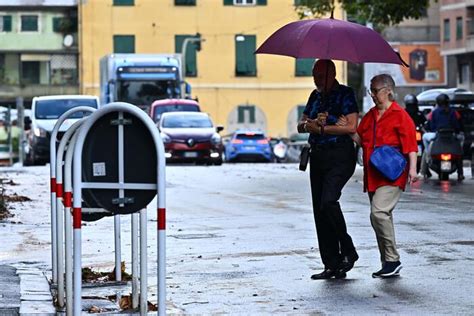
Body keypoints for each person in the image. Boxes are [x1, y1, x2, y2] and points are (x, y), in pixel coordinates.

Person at [348, 74, 418, 278]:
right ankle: (387, 261)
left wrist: (413, 169)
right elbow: (361, 139)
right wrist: (348, 128)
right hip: (373, 174)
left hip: (392, 173)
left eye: (375, 90)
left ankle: (393, 259)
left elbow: (411, 146)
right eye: (370, 90)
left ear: (388, 91)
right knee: (379, 217)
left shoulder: (400, 115)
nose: (372, 95)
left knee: (378, 213)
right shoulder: (370, 115)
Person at [297, 59, 359, 280]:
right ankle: (332, 263)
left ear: (332, 74)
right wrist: (310, 124)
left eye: (320, 76)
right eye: (314, 75)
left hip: (341, 155)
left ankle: (348, 250)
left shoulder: (346, 94)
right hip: (318, 156)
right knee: (319, 210)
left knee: (329, 201)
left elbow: (351, 126)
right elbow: (301, 124)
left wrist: (323, 128)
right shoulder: (315, 96)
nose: (316, 80)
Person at [421, 93, 464, 180]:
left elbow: (431, 127)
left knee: (425, 137)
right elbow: (458, 126)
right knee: (460, 145)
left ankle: (427, 158)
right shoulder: (454, 112)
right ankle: (460, 173)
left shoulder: (434, 113)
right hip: (452, 137)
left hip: (437, 136)